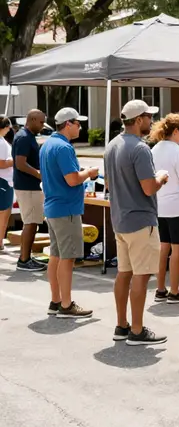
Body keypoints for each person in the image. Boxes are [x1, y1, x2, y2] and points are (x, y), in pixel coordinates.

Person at [104, 99, 169, 346]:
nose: (151, 122)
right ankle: (138, 330)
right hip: (141, 220)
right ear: (139, 119)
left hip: (120, 220)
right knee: (141, 277)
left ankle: (122, 325)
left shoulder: (112, 145)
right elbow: (148, 187)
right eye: (149, 117)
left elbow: (109, 184)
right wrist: (161, 177)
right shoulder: (140, 149)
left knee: (124, 274)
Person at [40, 108, 97, 319]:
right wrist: (89, 173)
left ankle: (56, 301)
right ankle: (65, 304)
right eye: (78, 123)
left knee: (55, 256)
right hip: (66, 209)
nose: (80, 127)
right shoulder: (63, 147)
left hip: (54, 207)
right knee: (68, 258)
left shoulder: (48, 145)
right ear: (68, 124)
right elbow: (72, 179)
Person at [151, 113, 179, 304]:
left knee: (163, 249)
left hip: (159, 205)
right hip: (178, 206)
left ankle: (160, 288)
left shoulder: (154, 150)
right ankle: (175, 291)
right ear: (176, 131)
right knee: (177, 251)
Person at [13, 109, 48, 271]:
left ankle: (26, 257)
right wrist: (39, 174)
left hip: (30, 186)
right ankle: (24, 259)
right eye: (41, 122)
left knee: (32, 222)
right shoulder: (24, 138)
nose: (42, 126)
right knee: (31, 223)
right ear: (32, 120)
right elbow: (20, 163)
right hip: (28, 187)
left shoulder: (27, 136)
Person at [0, 117, 13, 252]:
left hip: (4, 180)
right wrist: (13, 161)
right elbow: (1, 163)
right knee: (4, 212)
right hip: (3, 180)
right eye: (8, 127)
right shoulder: (1, 143)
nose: (9, 130)